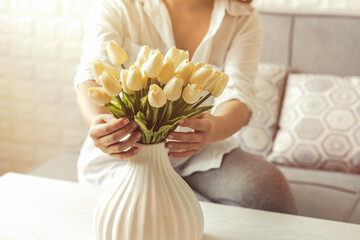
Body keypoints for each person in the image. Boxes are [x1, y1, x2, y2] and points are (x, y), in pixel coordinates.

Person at [75, 0, 298, 214]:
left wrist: (214, 126)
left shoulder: (241, 17)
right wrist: (100, 123)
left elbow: (239, 93)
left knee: (268, 186)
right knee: (174, 208)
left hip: (196, 148)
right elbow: (92, 75)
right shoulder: (117, 5)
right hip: (128, 152)